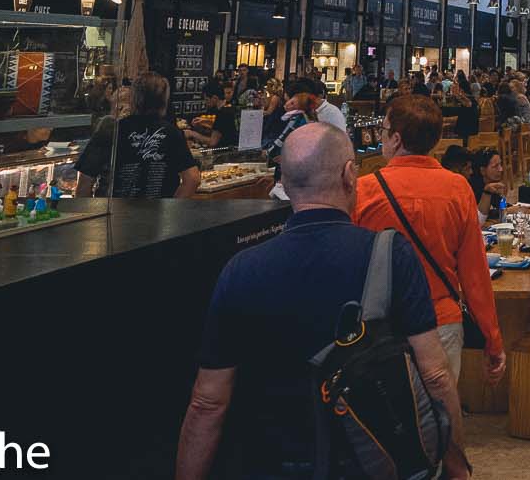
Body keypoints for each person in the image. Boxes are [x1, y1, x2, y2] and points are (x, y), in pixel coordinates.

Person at [174, 123, 471, 480]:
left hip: (272, 462)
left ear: (283, 182)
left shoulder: (242, 269)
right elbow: (436, 375)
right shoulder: (391, 256)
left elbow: (208, 402)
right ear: (350, 175)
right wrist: (456, 465)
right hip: (371, 461)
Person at [352, 96, 506, 388]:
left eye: (383, 132)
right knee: (441, 417)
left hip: (380, 326)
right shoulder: (457, 188)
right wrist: (492, 338)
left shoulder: (363, 191)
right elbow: (474, 274)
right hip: (441, 322)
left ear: (396, 139)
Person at [74, 72, 201, 199]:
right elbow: (192, 179)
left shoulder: (112, 129)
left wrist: (92, 216)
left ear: (134, 98)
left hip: (115, 214)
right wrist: (170, 211)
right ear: (164, 101)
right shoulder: (172, 132)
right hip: (157, 215)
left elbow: (84, 183)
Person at [466, 145, 507, 220]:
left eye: (500, 164)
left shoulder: (490, 183)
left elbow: (499, 204)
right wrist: (508, 210)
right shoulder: (472, 189)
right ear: (483, 170)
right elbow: (477, 216)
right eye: (495, 166)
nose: (501, 169)